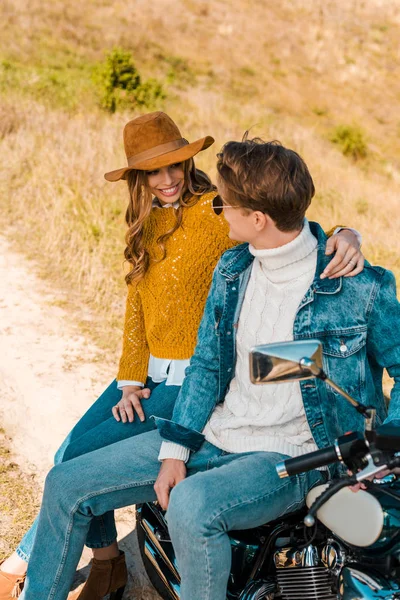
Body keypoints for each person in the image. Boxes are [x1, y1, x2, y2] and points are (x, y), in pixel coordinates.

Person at [0, 118, 362, 600]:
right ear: (139, 179)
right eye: (152, 172)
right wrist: (130, 380)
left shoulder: (218, 209)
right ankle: (108, 564)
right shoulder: (145, 223)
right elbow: (138, 305)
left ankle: (32, 562)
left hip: (192, 382)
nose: (166, 179)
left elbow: (284, 220)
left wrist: (346, 232)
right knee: (67, 458)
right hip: (150, 377)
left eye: (173, 165)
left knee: (82, 459)